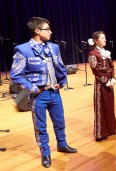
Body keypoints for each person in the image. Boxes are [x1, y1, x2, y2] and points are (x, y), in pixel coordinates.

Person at [10, 17, 77, 168]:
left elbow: (60, 65)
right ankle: (45, 153)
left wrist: (62, 81)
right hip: (39, 95)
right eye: (47, 29)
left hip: (55, 93)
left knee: (60, 122)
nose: (51, 31)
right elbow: (16, 75)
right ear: (37, 31)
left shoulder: (53, 47)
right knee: (40, 126)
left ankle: (62, 144)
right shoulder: (23, 50)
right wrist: (33, 89)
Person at [88, 31, 116, 141]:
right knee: (101, 107)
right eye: (102, 38)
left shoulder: (106, 52)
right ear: (96, 40)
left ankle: (111, 128)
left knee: (110, 106)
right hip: (101, 85)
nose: (105, 40)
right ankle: (101, 132)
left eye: (105, 38)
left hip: (110, 82)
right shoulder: (93, 54)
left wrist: (113, 78)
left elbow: (112, 66)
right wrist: (106, 82)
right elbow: (96, 71)